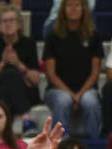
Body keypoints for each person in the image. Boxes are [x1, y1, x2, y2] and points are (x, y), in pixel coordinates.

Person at [42, 0, 103, 140]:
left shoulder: (94, 35)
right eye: (69, 5)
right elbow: (50, 74)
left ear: (84, 9)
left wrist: (80, 94)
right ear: (63, 9)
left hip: (87, 89)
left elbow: (95, 72)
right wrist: (71, 94)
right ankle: (61, 144)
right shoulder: (53, 36)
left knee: (91, 102)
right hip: (57, 90)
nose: (73, 8)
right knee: (63, 101)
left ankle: (92, 143)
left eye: (77, 5)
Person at [0, 5, 41, 133]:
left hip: (25, 91)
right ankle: (26, 119)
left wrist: (18, 64)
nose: (8, 24)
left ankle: (2, 131)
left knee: (11, 75)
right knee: (8, 76)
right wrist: (2, 62)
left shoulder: (28, 44)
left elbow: (35, 80)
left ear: (19, 24)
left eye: (11, 20)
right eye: (4, 21)